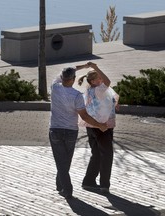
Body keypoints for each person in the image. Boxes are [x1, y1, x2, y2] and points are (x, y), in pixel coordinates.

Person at [49, 65, 108, 200]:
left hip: (55, 130)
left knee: (61, 161)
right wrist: (99, 125)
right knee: (65, 161)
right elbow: (85, 116)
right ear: (73, 79)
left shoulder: (55, 87)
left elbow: (68, 71)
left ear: (62, 78)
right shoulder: (76, 95)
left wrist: (81, 66)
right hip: (70, 131)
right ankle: (67, 189)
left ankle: (61, 185)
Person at [78, 62, 119, 194]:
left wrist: (115, 103)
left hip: (91, 125)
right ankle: (104, 185)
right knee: (107, 154)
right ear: (93, 81)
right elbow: (108, 81)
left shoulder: (89, 90)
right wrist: (95, 67)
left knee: (96, 153)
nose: (101, 79)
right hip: (102, 126)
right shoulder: (99, 89)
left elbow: (111, 97)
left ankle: (88, 181)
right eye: (98, 77)